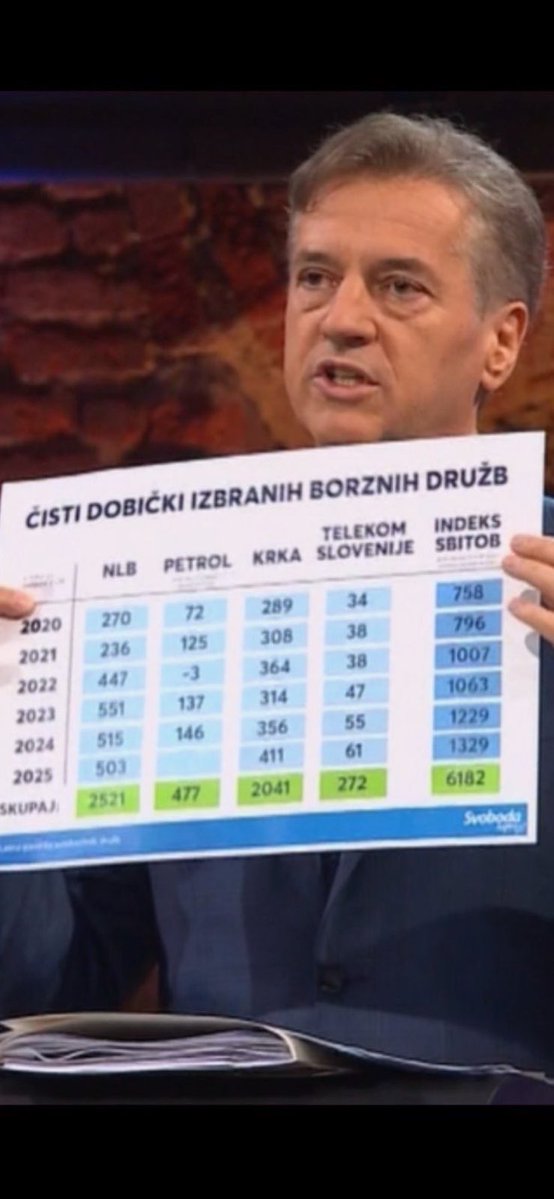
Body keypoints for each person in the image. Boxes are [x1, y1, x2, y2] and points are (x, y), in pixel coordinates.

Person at [1, 111, 554, 1074]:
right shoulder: (148, 590)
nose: (342, 318)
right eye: (314, 277)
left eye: (399, 285)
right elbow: (50, 978)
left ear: (500, 342)